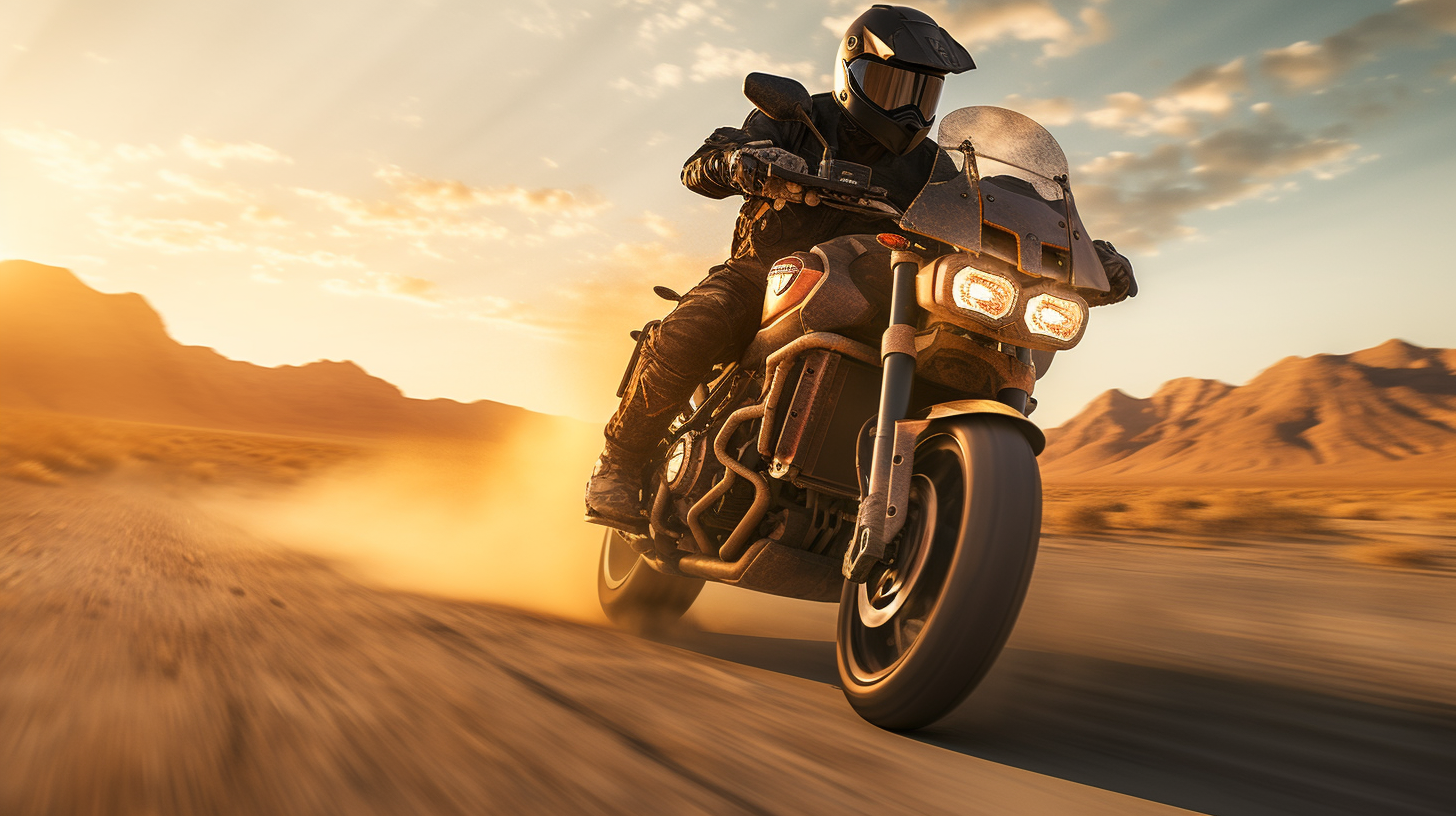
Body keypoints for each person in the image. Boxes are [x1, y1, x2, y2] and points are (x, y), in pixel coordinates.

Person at [585, 4, 1134, 527]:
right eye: (895, 87)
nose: (911, 108)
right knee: (701, 320)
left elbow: (988, 221)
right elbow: (698, 167)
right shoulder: (796, 118)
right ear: (853, 72)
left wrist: (1075, 254)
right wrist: (744, 162)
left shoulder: (936, 166)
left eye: (926, 92)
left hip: (884, 284)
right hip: (771, 271)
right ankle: (619, 461)